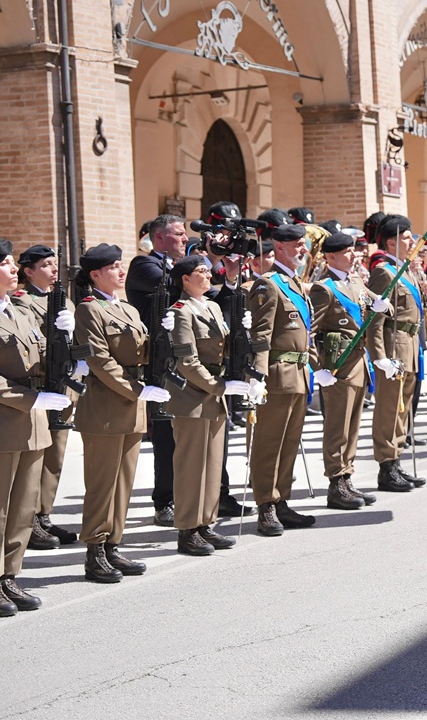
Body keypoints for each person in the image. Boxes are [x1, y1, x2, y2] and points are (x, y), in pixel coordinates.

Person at [0, 239, 71, 616]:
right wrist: (33, 399)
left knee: (22, 509)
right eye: (4, 263)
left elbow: (41, 359)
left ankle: (9, 575)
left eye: (11, 262)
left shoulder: (21, 313)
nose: (12, 268)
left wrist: (66, 343)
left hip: (31, 426)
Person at [73, 244, 170, 582]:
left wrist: (165, 334)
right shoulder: (89, 310)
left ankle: (113, 544)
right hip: (105, 407)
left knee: (124, 483)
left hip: (131, 407)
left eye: (119, 264)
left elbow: (141, 352)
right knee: (102, 484)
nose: (120, 270)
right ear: (95, 274)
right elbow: (100, 360)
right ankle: (95, 550)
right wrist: (137, 390)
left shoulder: (127, 309)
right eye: (113, 267)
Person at [164, 255, 249, 555]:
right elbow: (186, 361)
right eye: (201, 271)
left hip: (214, 395)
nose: (208, 274)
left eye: (207, 270)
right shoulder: (180, 312)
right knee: (191, 466)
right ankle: (188, 529)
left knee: (212, 464)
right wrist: (219, 386)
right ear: (185, 279)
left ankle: (205, 523)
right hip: (192, 397)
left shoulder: (211, 307)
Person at [247, 222, 319, 534]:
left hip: (299, 374)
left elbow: (306, 331)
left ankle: (282, 501)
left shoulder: (296, 284)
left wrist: (314, 363)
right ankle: (265, 505)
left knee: (289, 443)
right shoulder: (269, 284)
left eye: (304, 244)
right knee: (270, 443)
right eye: (297, 245)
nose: (303, 250)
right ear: (279, 247)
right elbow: (260, 335)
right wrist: (257, 376)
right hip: (277, 376)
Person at [10, 245, 80, 551]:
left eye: (55, 264)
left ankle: (44, 514)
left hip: (64, 386)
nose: (54, 269)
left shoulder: (64, 300)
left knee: (55, 456)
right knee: (36, 457)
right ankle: (28, 519)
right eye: (46, 265)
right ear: (28, 272)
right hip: (41, 386)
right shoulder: (21, 301)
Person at [308, 232, 382, 507]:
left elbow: (374, 304)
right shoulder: (324, 288)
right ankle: (336, 482)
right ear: (331, 256)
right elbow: (309, 331)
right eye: (347, 252)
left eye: (353, 250)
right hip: (338, 365)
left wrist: (381, 304)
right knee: (337, 426)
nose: (354, 255)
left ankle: (347, 476)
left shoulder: (355, 281)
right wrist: (317, 368)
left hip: (358, 361)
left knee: (352, 425)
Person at [124, 214, 188, 528]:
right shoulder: (144, 265)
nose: (186, 239)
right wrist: (201, 263)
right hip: (160, 362)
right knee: (166, 436)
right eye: (179, 234)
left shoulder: (182, 267)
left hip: (189, 359)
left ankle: (211, 494)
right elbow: (171, 283)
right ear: (159, 238)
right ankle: (165, 501)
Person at [366, 215, 427, 492]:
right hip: (394, 346)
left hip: (410, 344)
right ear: (391, 242)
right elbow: (375, 318)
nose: (412, 241)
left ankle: (397, 461)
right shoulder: (384, 273)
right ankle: (386, 466)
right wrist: (379, 356)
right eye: (406, 237)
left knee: (403, 409)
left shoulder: (406, 270)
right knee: (390, 409)